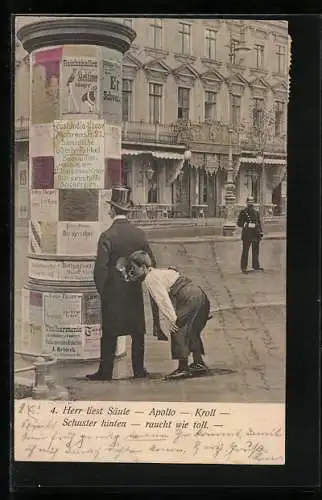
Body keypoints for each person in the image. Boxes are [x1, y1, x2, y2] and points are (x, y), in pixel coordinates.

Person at [86, 186, 163, 381]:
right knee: (137, 332)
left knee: (110, 333)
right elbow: (150, 263)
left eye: (110, 207)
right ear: (126, 211)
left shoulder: (107, 236)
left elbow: (100, 270)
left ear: (112, 210)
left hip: (113, 293)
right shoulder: (139, 234)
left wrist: (104, 292)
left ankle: (105, 372)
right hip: (133, 292)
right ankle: (139, 370)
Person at [122, 250, 211, 380]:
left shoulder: (150, 279)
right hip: (199, 295)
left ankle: (183, 368)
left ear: (144, 267)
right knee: (191, 330)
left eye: (134, 269)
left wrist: (172, 320)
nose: (132, 272)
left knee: (177, 328)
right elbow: (174, 274)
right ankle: (198, 362)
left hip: (189, 297)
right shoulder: (157, 273)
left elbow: (163, 300)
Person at [237, 196, 264, 274]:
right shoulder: (243, 212)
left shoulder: (256, 212)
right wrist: (248, 225)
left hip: (256, 234)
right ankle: (243, 268)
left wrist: (261, 231)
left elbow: (259, 223)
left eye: (252, 201)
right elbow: (239, 223)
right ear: (247, 202)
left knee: (256, 251)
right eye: (249, 201)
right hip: (247, 234)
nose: (250, 203)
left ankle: (256, 266)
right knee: (245, 251)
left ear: (253, 202)